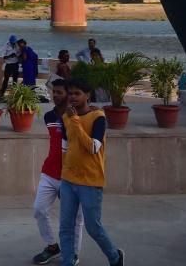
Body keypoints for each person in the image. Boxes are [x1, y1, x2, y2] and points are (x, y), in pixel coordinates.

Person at [60, 78, 124, 266]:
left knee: (93, 227)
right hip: (68, 180)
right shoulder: (66, 117)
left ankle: (115, 256)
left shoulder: (98, 117)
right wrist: (61, 178)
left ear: (87, 95)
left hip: (90, 181)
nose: (72, 97)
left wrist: (75, 121)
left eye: (77, 93)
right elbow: (65, 149)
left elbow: (93, 147)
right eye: (70, 93)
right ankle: (67, 262)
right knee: (65, 227)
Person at [31, 79, 83, 265]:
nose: (55, 95)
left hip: (71, 177)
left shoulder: (79, 117)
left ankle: (74, 253)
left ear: (68, 94)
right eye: (54, 92)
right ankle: (52, 247)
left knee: (75, 218)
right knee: (39, 210)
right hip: (49, 173)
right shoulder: (49, 117)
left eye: (60, 92)